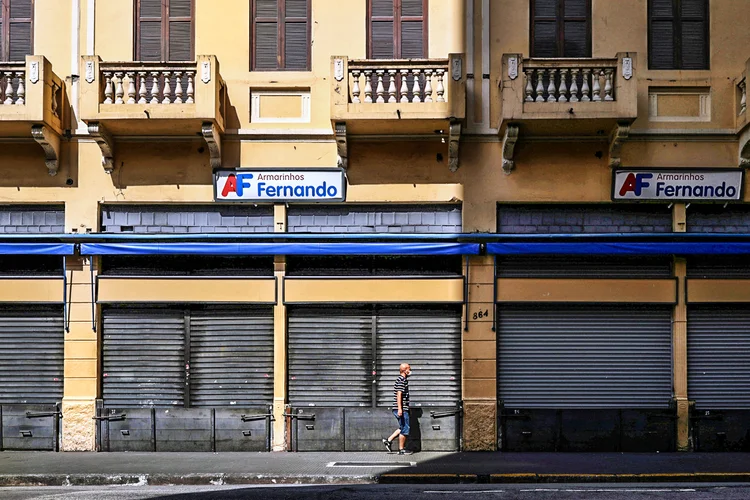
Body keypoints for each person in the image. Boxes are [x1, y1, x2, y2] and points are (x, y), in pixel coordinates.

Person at [382, 362, 412, 455]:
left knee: (403, 427)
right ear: (405, 370)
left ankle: (388, 440)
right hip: (400, 408)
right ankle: (401, 449)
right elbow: (399, 394)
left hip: (402, 408)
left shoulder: (403, 380)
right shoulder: (401, 380)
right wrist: (400, 409)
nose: (410, 371)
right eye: (409, 369)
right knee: (405, 428)